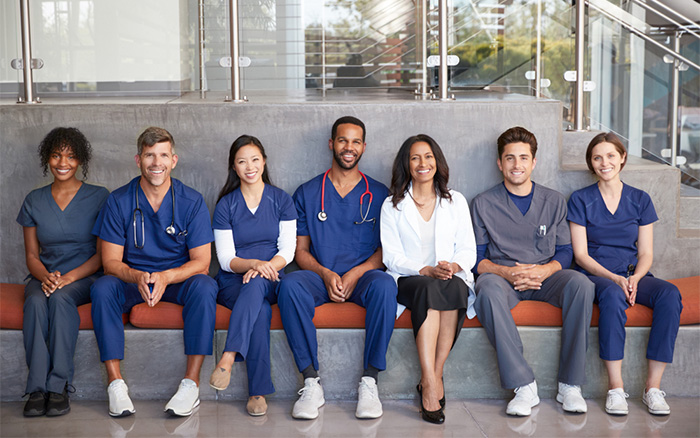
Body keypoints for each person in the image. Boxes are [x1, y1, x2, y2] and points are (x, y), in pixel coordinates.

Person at [90, 127, 217, 417]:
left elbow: (202, 261)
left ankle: (191, 384)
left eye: (162, 155)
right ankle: (115, 384)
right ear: (138, 160)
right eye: (149, 155)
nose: (156, 162)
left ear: (174, 160)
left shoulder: (192, 201)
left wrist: (166, 276)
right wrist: (137, 276)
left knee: (205, 286)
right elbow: (109, 262)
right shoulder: (119, 200)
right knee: (102, 287)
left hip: (175, 280)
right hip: (132, 279)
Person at [277, 116, 397, 420]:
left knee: (385, 286)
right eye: (343, 140)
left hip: (364, 278)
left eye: (356, 141)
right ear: (332, 144)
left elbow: (387, 251)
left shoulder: (380, 194)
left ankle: (370, 381)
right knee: (290, 285)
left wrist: (355, 273)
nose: (349, 147)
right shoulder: (307, 192)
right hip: (320, 277)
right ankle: (310, 382)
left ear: (364, 147)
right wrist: (326, 274)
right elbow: (299, 252)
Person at [471, 126, 595, 416]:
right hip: (503, 279)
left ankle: (570, 385)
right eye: (510, 158)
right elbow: (476, 259)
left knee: (582, 285)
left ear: (534, 162)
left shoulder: (553, 201)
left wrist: (545, 270)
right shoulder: (483, 203)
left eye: (524, 158)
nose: (517, 165)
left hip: (547, 278)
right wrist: (505, 273)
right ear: (500, 163)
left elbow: (565, 251)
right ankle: (523, 385)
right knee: (486, 291)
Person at [568, 132, 682, 416]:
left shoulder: (640, 199)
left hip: (634, 274)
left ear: (622, 158)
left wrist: (635, 278)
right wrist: (615, 279)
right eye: (597, 157)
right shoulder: (580, 199)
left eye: (610, 156)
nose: (604, 162)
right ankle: (615, 389)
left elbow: (646, 253)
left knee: (670, 294)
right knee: (611, 296)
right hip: (596, 275)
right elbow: (581, 255)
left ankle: (652, 388)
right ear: (591, 164)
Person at [380, 135, 476, 424]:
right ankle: (431, 382)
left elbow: (468, 248)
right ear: (406, 165)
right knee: (429, 288)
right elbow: (391, 256)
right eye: (415, 158)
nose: (423, 163)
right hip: (410, 278)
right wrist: (424, 269)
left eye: (429, 156)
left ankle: (432, 375)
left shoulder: (455, 200)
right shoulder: (392, 205)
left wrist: (453, 265)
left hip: (449, 275)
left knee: (454, 287)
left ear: (438, 161)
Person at [17, 127, 109, 417]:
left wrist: (67, 279)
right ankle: (36, 390)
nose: (63, 162)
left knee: (59, 300)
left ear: (80, 159)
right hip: (44, 275)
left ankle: (58, 387)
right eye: (56, 155)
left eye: (70, 156)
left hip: (83, 276)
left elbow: (101, 255)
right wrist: (46, 277)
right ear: (48, 158)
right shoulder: (34, 199)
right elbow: (31, 255)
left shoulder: (98, 196)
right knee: (33, 302)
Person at [208, 135, 297, 416]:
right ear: (234, 167)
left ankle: (228, 356)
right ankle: (257, 393)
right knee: (258, 309)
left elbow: (289, 250)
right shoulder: (226, 206)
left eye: (255, 159)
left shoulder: (281, 200)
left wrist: (265, 266)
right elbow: (224, 259)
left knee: (258, 284)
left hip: (272, 277)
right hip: (233, 281)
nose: (250, 166)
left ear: (264, 161)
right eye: (242, 161)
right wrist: (253, 264)